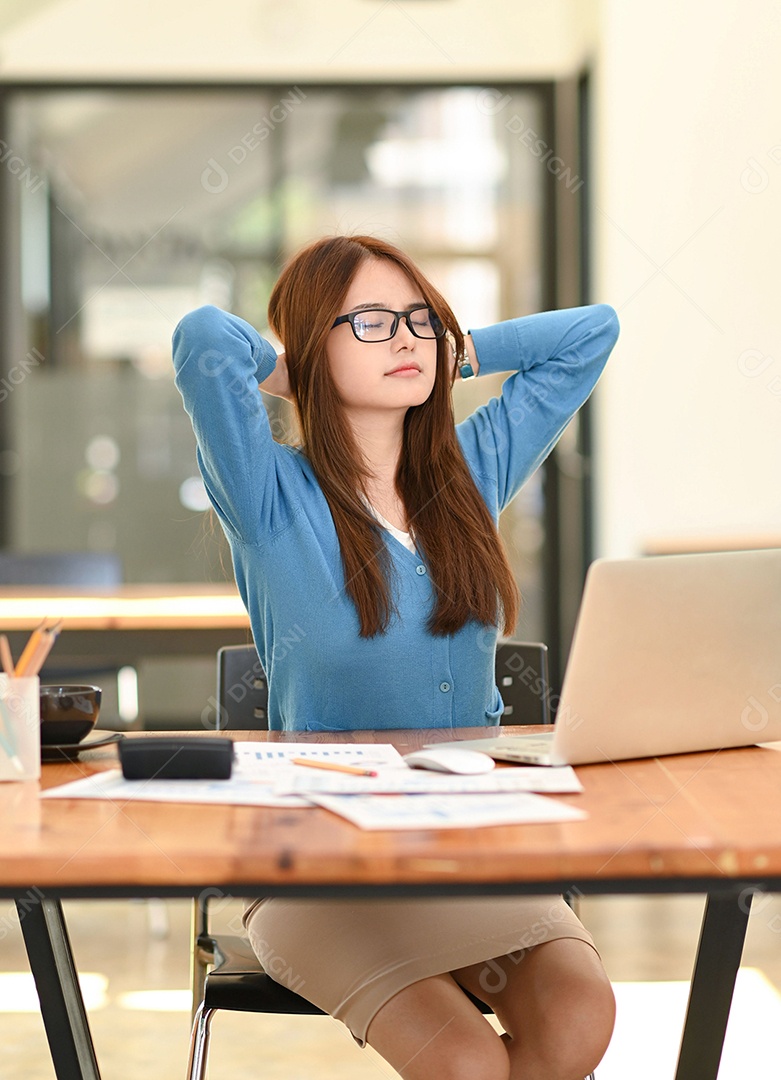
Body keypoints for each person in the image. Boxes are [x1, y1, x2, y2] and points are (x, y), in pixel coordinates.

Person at [173, 234, 620, 1080]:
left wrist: (461, 352)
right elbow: (202, 338)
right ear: (314, 344)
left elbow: (590, 331)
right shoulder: (268, 496)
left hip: (469, 849)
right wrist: (289, 370)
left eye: (419, 319)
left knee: (578, 1016)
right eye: (370, 322)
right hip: (320, 867)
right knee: (464, 1063)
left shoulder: (472, 471)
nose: (407, 338)